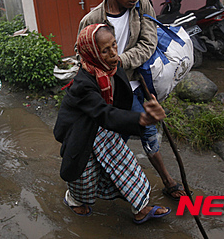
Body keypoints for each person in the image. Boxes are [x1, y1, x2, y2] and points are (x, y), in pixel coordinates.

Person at [76, 0, 188, 200]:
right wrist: (102, 73)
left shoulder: (143, 6)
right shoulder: (92, 20)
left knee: (148, 131)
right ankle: (101, 184)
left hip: (137, 85)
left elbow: (148, 44)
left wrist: (118, 62)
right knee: (110, 140)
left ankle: (168, 181)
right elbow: (82, 55)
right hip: (108, 92)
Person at [54, 23, 170, 223]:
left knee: (125, 164)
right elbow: (103, 112)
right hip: (83, 132)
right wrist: (141, 119)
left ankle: (141, 208)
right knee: (84, 175)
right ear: (91, 52)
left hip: (105, 128)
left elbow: (118, 104)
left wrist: (146, 107)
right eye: (105, 50)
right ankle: (74, 200)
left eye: (114, 45)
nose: (113, 53)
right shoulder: (83, 83)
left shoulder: (113, 67)